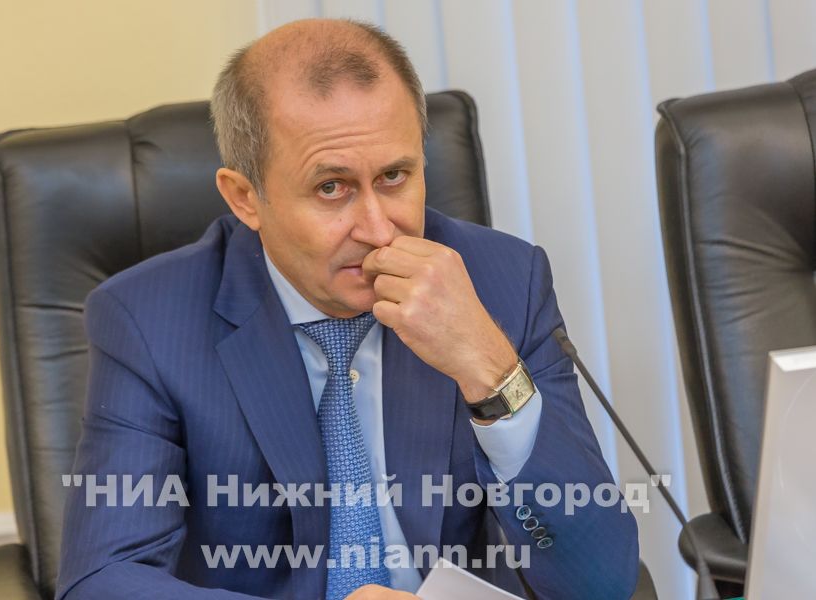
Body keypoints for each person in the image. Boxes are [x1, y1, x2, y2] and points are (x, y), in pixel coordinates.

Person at [56, 18, 639, 600]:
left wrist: (490, 370)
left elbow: (601, 585)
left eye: (394, 176)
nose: (379, 229)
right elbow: (102, 580)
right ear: (245, 197)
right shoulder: (148, 320)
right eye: (331, 187)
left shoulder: (503, 281)